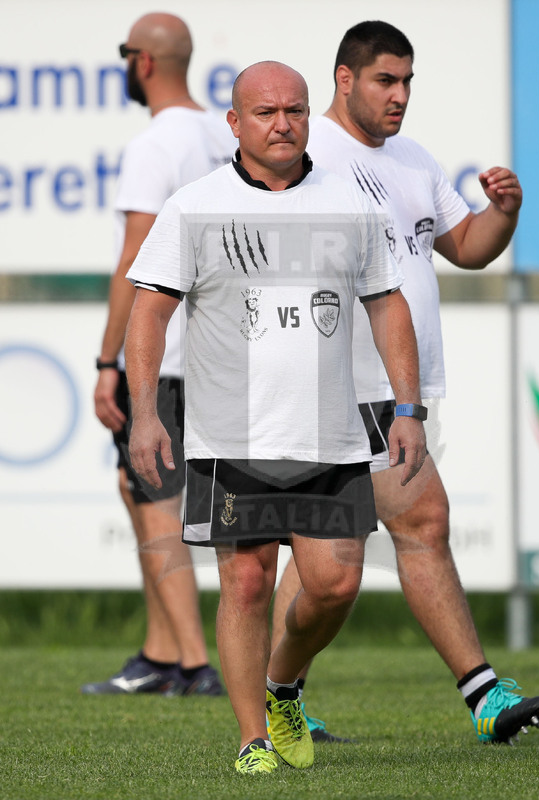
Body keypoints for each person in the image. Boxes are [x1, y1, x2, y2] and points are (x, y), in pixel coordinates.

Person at [124, 60, 427, 773]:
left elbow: (388, 305)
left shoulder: (351, 200)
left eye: (294, 110)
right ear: (235, 123)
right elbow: (150, 312)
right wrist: (144, 411)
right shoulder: (194, 205)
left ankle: (281, 684)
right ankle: (252, 739)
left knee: (334, 585)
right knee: (249, 582)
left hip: (333, 434)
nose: (283, 123)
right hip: (232, 434)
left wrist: (407, 408)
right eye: (265, 113)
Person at [271, 19, 539, 746]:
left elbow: (466, 248)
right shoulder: (309, 157)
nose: (399, 96)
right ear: (344, 80)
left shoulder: (413, 158)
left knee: (338, 560)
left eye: (407, 82)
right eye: (384, 81)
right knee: (389, 539)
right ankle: (481, 693)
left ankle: (278, 699)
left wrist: (506, 213)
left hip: (397, 393)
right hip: (338, 388)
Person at [82, 12, 234, 696]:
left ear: (142, 62)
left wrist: (107, 360)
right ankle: (159, 653)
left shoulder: (156, 143)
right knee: (137, 488)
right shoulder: (222, 133)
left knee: (153, 501)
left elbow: (134, 262)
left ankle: (196, 664)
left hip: (165, 350)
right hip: (222, 346)